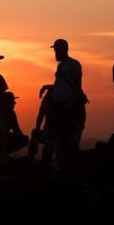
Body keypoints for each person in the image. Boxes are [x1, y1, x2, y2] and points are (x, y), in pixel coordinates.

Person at [40, 39, 86, 167]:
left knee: (67, 138)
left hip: (69, 106)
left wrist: (71, 104)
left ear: (64, 50)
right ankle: (60, 165)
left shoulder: (74, 64)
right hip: (60, 106)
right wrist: (48, 87)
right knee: (59, 137)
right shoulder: (61, 66)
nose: (55, 53)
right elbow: (60, 85)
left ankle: (66, 167)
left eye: (57, 50)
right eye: (55, 50)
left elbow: (77, 85)